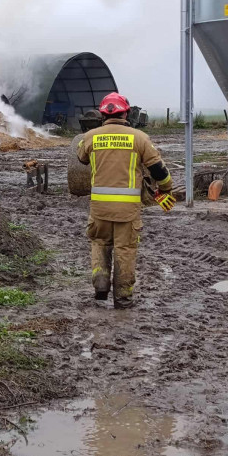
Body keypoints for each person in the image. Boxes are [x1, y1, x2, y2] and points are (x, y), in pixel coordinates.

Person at [76, 92, 175, 309]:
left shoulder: (91, 137)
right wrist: (166, 189)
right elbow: (159, 170)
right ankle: (122, 298)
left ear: (102, 114)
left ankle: (101, 284)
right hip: (127, 212)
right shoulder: (139, 138)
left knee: (100, 243)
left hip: (99, 209)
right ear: (126, 114)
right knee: (125, 250)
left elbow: (81, 158)